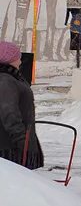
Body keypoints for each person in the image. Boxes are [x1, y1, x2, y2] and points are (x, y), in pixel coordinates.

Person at [0, 41, 43, 169]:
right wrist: (23, 143)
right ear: (9, 59)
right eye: (17, 57)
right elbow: (9, 114)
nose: (20, 61)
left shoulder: (13, 77)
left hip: (15, 144)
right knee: (15, 179)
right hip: (11, 148)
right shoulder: (6, 80)